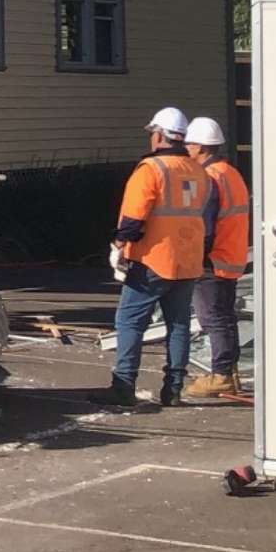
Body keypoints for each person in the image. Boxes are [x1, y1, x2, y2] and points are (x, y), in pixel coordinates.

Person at [94, 105, 208, 408]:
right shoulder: (198, 170)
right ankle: (173, 389)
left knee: (130, 321)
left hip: (153, 259)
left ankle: (124, 386)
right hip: (188, 259)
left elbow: (133, 217)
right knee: (179, 324)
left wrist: (119, 245)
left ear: (159, 135)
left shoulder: (151, 170)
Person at [184, 115, 250, 400]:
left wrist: (194, 258)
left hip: (212, 259)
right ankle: (229, 372)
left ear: (200, 146)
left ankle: (221, 375)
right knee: (224, 316)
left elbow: (205, 225)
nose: (186, 148)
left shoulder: (208, 177)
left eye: (189, 143)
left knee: (213, 318)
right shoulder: (229, 172)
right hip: (231, 254)